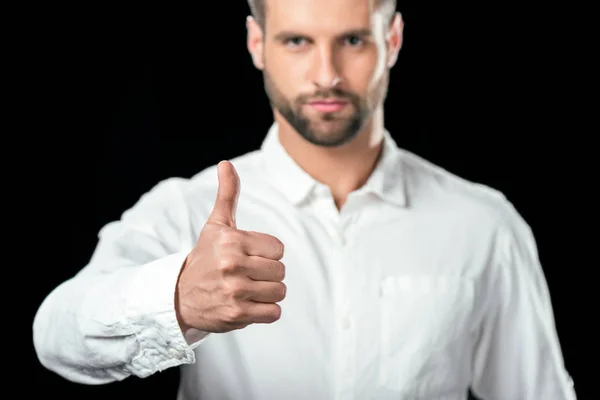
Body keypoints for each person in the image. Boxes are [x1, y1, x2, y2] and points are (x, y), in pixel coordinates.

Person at [33, 0, 577, 399]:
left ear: (392, 40)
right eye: (297, 41)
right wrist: (175, 298)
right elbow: (55, 335)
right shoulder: (186, 208)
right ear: (256, 44)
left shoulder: (484, 224)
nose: (326, 75)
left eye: (353, 40)